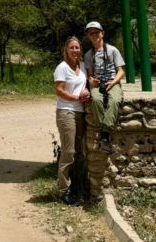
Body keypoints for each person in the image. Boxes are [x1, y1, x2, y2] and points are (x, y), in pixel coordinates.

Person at [53, 35, 90, 206]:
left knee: (78, 152)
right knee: (68, 152)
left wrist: (87, 91)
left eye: (77, 47)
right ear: (66, 50)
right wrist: (76, 97)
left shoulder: (82, 66)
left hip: (80, 112)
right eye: (72, 47)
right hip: (66, 111)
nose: (75, 50)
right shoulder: (62, 68)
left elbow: (86, 85)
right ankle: (63, 191)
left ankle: (74, 186)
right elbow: (59, 90)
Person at [83, 21, 125, 155]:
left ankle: (104, 133)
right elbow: (90, 75)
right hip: (98, 83)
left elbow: (121, 71)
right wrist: (91, 80)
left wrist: (113, 83)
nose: (94, 35)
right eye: (91, 33)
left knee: (115, 100)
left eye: (96, 32)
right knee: (95, 99)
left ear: (102, 33)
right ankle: (105, 134)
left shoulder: (113, 50)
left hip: (113, 82)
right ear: (88, 36)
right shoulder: (88, 55)